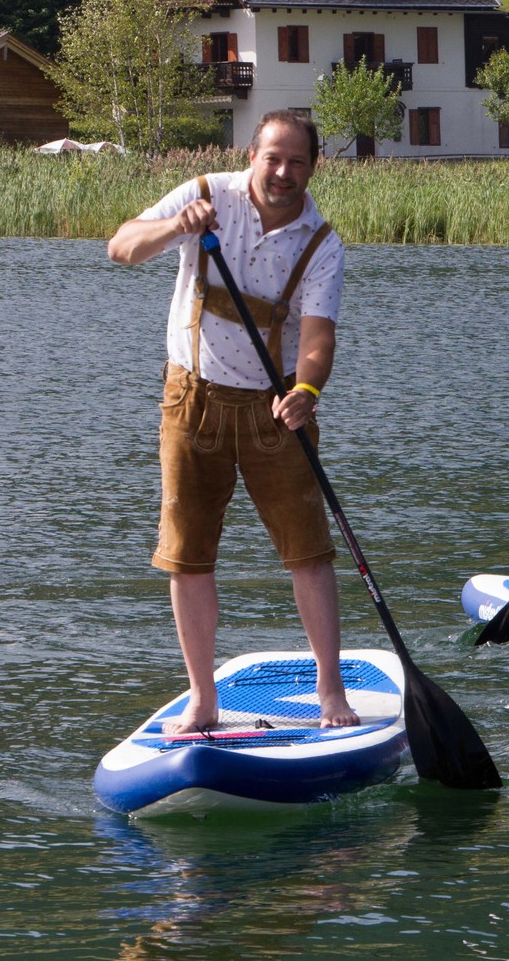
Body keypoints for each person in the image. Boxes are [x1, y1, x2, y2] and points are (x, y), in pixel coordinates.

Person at [107, 111, 358, 734]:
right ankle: (202, 698)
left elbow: (319, 339)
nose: (282, 172)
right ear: (252, 155)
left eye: (297, 161)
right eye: (273, 158)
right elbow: (121, 247)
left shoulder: (322, 241)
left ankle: (331, 692)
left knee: (308, 552)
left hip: (277, 411)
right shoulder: (205, 193)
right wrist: (175, 227)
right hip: (191, 401)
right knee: (188, 556)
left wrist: (306, 389)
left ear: (312, 167)